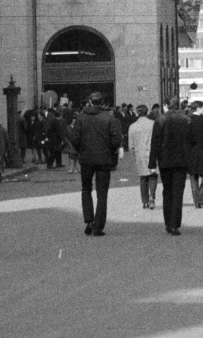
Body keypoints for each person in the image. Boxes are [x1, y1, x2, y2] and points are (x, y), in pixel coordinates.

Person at [66, 90, 123, 236]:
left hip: (86, 159)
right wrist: (109, 149)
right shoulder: (109, 118)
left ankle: (89, 221)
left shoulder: (81, 118)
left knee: (86, 189)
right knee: (102, 193)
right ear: (102, 103)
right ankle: (98, 226)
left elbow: (74, 138)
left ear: (90, 102)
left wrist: (81, 150)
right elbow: (116, 140)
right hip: (104, 158)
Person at [149, 99, 192, 235]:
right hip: (181, 161)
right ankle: (175, 224)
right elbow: (191, 141)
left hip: (165, 160)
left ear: (166, 106)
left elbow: (155, 142)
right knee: (178, 192)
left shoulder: (160, 120)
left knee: (167, 191)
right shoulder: (187, 120)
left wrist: (152, 163)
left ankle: (168, 222)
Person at [127, 105, 158, 209]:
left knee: (143, 178)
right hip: (152, 153)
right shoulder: (153, 124)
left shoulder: (133, 126)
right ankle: (152, 197)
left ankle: (144, 201)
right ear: (147, 112)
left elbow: (130, 145)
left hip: (139, 154)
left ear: (137, 113)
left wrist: (133, 156)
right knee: (153, 176)